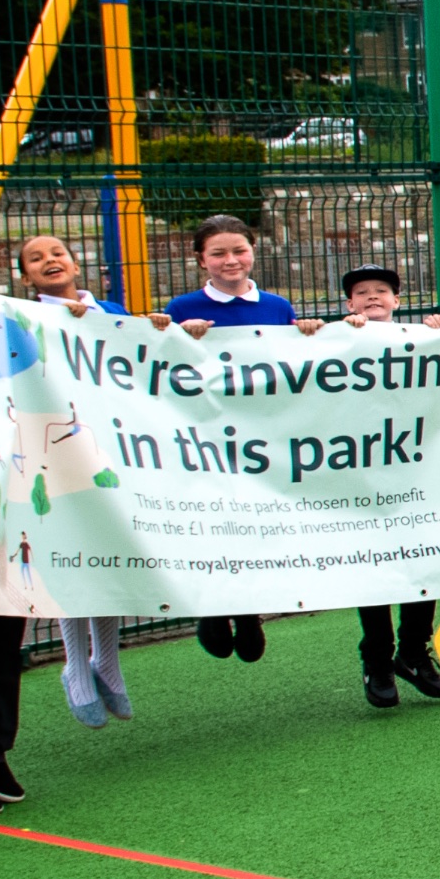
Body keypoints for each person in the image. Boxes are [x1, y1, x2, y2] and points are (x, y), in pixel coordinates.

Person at [11, 233, 133, 729]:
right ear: (26, 277)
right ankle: (74, 667)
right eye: (36, 259)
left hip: (108, 451)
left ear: (75, 262)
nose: (50, 261)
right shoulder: (20, 321)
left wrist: (161, 327)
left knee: (107, 555)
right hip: (52, 452)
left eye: (57, 253)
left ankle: (107, 660)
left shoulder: (111, 312)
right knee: (69, 555)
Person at [163, 215, 296, 662]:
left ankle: (248, 610)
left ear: (252, 250)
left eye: (238, 250)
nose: (230, 260)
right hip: (206, 438)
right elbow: (164, 365)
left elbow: (296, 364)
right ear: (201, 259)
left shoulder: (277, 307)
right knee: (213, 523)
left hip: (263, 435)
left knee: (256, 524)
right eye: (218, 253)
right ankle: (214, 609)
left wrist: (311, 333)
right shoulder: (181, 308)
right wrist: (178, 336)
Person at [332, 267, 440, 711]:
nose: (371, 298)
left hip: (415, 471)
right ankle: (377, 657)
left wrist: (439, 332)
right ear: (349, 303)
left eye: (380, 291)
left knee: (426, 558)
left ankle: (414, 651)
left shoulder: (418, 336)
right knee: (375, 564)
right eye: (361, 293)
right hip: (363, 474)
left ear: (397, 299)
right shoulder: (338, 338)